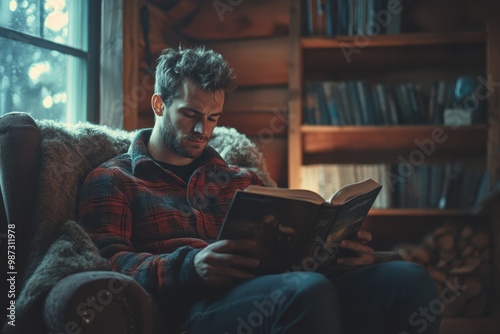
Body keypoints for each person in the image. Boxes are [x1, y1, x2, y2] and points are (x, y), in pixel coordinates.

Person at [78, 46, 441, 334]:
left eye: (214, 118)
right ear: (159, 104)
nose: (203, 130)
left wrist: (345, 256)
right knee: (306, 291)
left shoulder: (242, 180)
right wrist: (190, 267)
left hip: (282, 288)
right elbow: (107, 265)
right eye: (190, 114)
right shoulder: (114, 179)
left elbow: (292, 256)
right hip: (195, 310)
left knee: (408, 279)